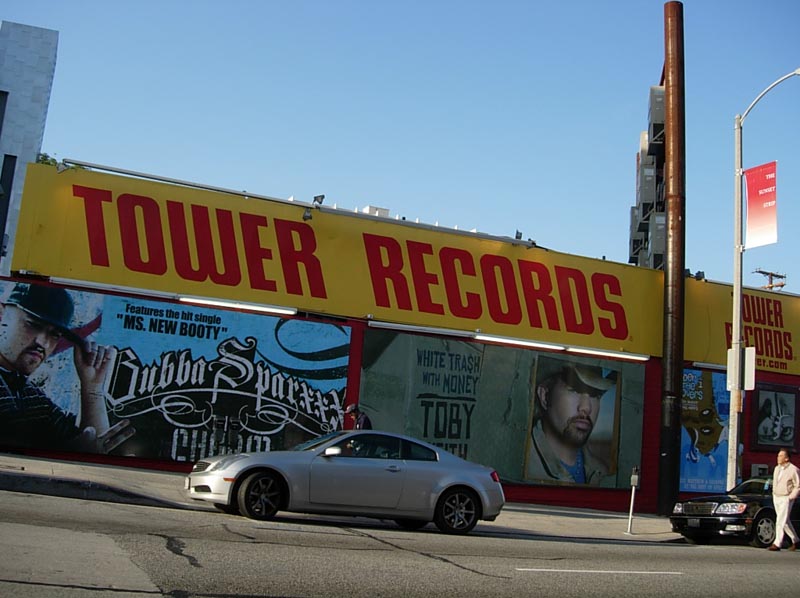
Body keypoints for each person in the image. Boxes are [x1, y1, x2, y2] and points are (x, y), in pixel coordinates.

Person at [0, 283, 133, 453]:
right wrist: (67, 454)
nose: (44, 343)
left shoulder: (31, 395)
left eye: (55, 334)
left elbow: (95, 445)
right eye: (33, 324)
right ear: (2, 314)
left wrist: (92, 388)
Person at [525, 357, 616, 484]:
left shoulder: (601, 471)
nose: (586, 408)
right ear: (545, 397)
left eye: (595, 395)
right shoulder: (522, 461)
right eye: (574, 390)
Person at [767, 448, 799, 551]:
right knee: (785, 521)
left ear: (786, 458)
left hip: (786, 497)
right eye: (778, 455)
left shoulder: (793, 469)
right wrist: (774, 493)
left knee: (780, 520)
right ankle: (796, 540)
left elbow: (797, 485)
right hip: (777, 496)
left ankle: (777, 543)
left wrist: (791, 497)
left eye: (781, 456)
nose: (778, 458)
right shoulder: (777, 468)